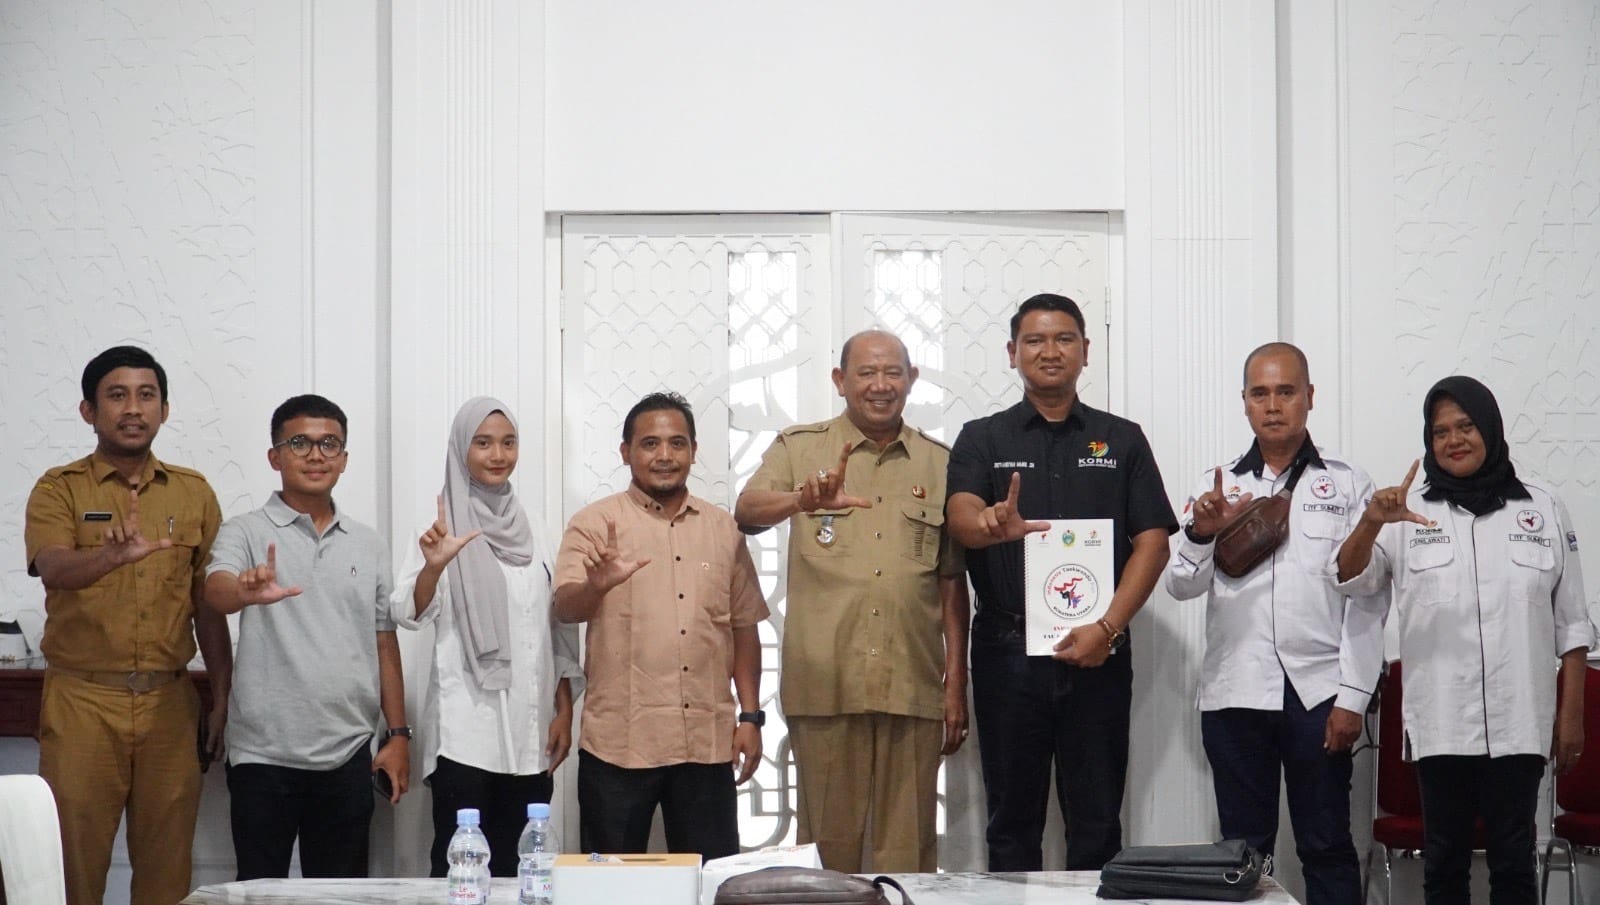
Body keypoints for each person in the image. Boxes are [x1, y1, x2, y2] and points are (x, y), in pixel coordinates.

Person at [1335, 376, 1593, 905]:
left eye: (1465, 426)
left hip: (1521, 719)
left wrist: (1570, 717)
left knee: (1515, 864)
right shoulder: (1406, 514)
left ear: (1490, 429)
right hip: (1441, 723)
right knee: (1444, 867)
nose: (1453, 440)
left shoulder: (1543, 508)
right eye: (1439, 432)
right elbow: (1350, 578)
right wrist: (1369, 522)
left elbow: (1572, 627)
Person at [945, 293, 1177, 871]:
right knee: (1011, 824)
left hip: (1098, 650)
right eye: (1035, 340)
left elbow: (1153, 540)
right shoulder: (982, 438)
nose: (1050, 351)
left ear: (1085, 351)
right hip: (1007, 651)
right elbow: (961, 516)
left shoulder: (1121, 439)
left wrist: (1109, 627)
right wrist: (990, 523)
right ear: (1012, 353)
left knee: (1097, 823)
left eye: (1064, 339)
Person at [734, 329, 969, 872]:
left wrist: (956, 681)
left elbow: (951, 580)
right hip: (826, 684)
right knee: (827, 853)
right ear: (841, 381)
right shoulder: (801, 446)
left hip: (913, 683)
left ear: (911, 380)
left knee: (907, 853)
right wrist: (800, 500)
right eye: (866, 373)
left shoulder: (940, 463)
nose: (880, 385)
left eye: (893, 373)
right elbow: (746, 510)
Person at [1164, 343, 1386, 905]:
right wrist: (1198, 533)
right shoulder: (1217, 486)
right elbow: (1180, 586)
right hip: (1235, 692)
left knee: (1328, 845)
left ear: (1310, 398)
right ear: (1244, 404)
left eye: (1286, 391)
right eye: (1260, 393)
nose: (1273, 405)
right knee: (1242, 854)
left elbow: (1368, 598)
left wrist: (1353, 699)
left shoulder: (1347, 483)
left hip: (1319, 694)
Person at [24, 345, 233, 905]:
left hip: (170, 703)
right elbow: (53, 567)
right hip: (84, 702)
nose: (133, 408)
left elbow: (205, 603)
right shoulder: (59, 488)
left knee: (167, 874)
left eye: (147, 395)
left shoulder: (194, 492)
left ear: (164, 410)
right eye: (116, 395)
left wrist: (222, 696)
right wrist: (108, 558)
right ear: (89, 411)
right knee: (72, 869)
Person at [203, 394, 409, 880]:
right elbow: (215, 591)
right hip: (262, 754)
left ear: (343, 459)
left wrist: (398, 735)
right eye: (300, 443)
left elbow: (384, 641)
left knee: (340, 894)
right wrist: (243, 590)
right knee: (260, 890)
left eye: (329, 444)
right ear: (275, 456)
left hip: (347, 752)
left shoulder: (368, 542)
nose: (316, 455)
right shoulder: (246, 532)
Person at [553, 391, 767, 858]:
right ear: (626, 452)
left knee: (709, 881)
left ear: (694, 451)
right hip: (619, 745)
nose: (664, 456)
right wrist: (597, 585)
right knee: (611, 889)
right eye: (650, 444)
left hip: (706, 744)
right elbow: (566, 608)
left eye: (677, 443)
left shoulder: (722, 530)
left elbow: (744, 627)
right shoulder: (595, 524)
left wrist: (751, 716)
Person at [391, 396, 583, 877]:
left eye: (508, 442)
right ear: (461, 449)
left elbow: (555, 626)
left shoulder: (536, 526)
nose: (497, 455)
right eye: (483, 443)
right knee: (461, 868)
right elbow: (407, 612)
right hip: (465, 733)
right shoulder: (440, 527)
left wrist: (564, 710)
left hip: (529, 734)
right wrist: (433, 569)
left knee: (526, 870)